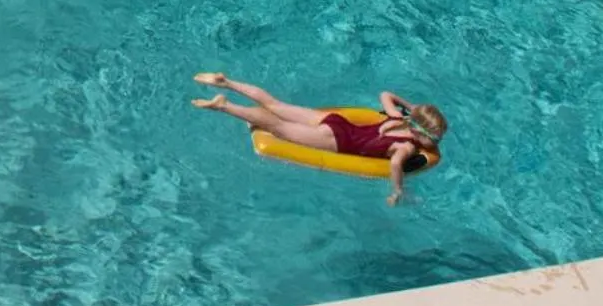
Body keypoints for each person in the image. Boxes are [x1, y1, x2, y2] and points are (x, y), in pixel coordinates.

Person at [190, 72, 446, 206]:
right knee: (277, 126)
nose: (436, 143)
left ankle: (227, 82)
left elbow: (385, 94)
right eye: (434, 138)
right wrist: (398, 191)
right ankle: (225, 106)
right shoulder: (405, 146)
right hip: (333, 139)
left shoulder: (396, 119)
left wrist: (410, 107)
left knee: (275, 104)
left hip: (336, 122)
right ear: (420, 133)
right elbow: (394, 165)